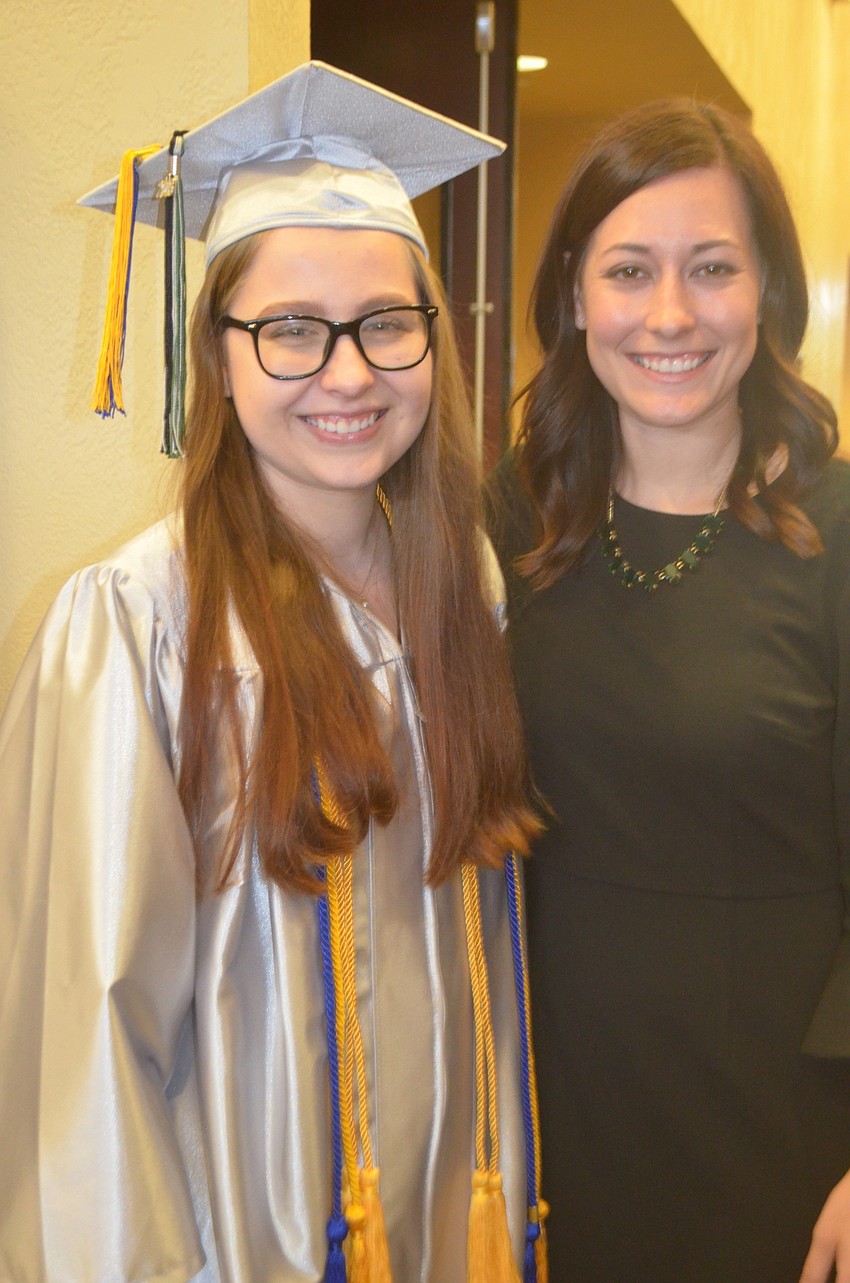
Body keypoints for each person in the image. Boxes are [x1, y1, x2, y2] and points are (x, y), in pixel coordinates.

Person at [0, 62, 546, 1283]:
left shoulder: (463, 583)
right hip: (234, 1246)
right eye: (289, 328)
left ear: (432, 337)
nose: (347, 374)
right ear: (219, 354)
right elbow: (90, 1050)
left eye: (385, 323)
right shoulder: (137, 624)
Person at [489, 98, 850, 1283]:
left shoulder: (840, 532)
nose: (670, 314)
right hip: (547, 1111)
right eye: (629, 269)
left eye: (712, 268)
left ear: (770, 294)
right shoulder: (510, 521)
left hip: (777, 1135)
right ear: (573, 297)